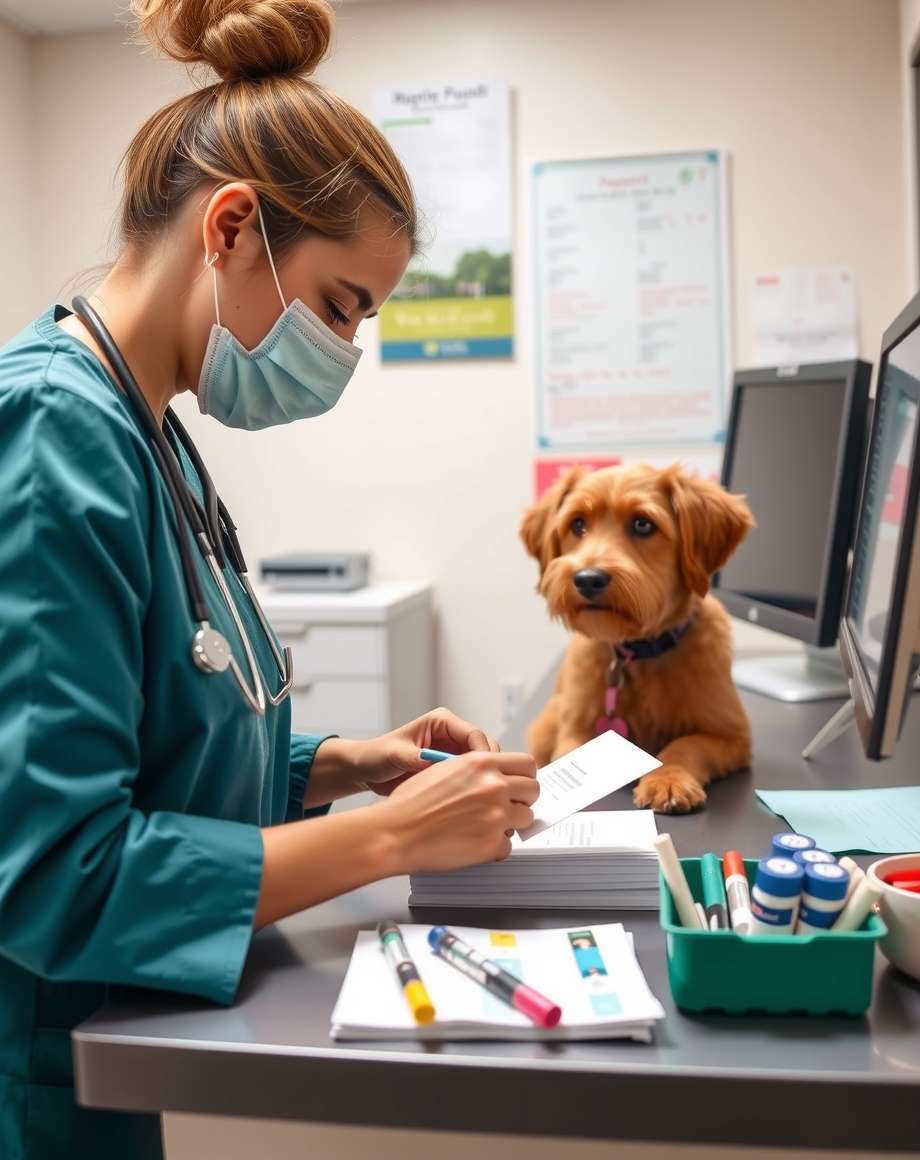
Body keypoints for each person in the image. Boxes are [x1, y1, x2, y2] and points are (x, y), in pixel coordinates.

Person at [0, 2, 539, 1156]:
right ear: (233, 226)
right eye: (342, 305)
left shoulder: (153, 432)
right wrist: (394, 839)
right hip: (34, 1076)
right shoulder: (56, 430)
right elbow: (57, 871)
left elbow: (158, 743)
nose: (346, 348)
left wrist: (339, 766)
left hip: (106, 1043)